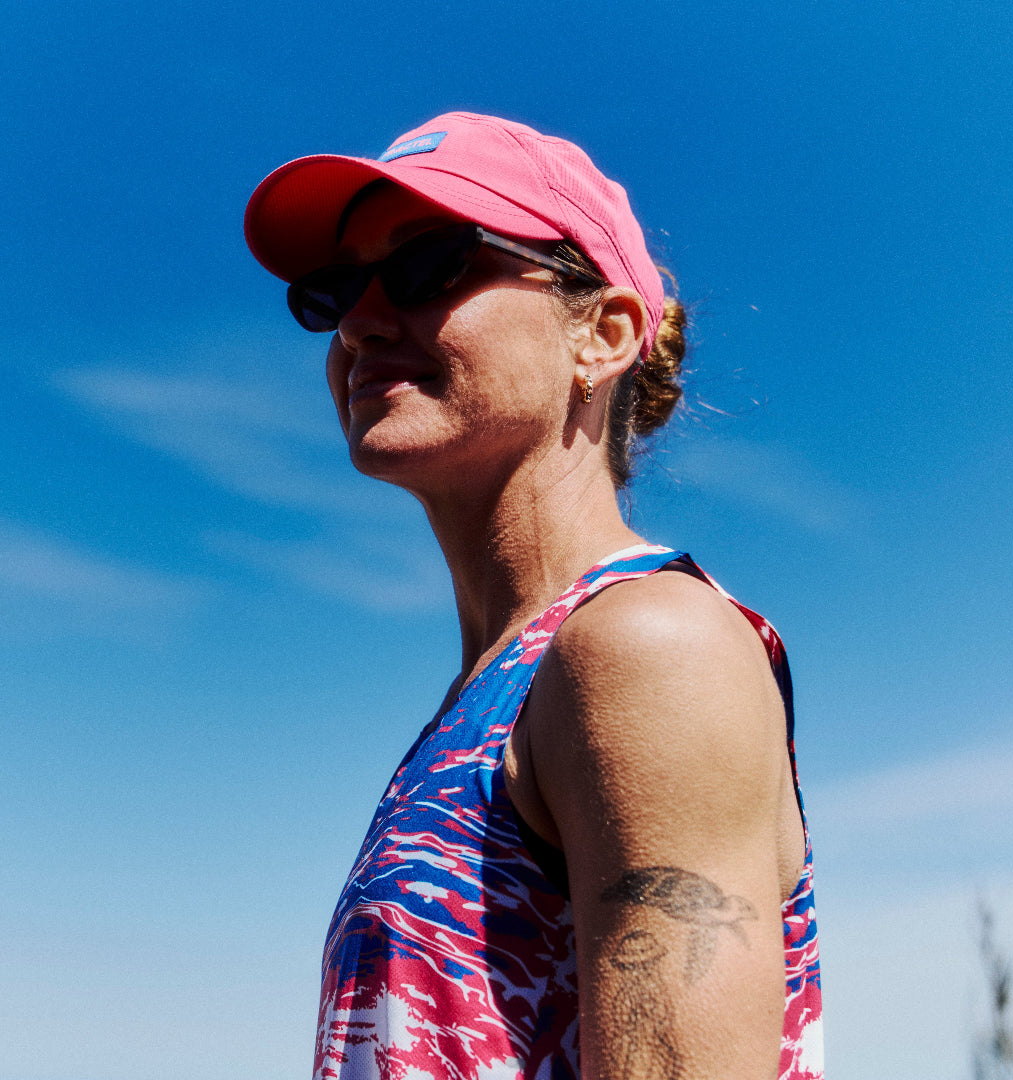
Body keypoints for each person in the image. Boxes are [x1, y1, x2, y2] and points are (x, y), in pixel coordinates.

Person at [244, 112, 822, 1080]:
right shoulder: (496, 693)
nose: (359, 321)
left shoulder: (645, 645)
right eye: (332, 291)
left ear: (602, 334)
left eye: (430, 265)